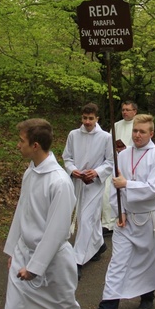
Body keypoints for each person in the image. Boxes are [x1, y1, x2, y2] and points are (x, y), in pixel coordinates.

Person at [86, 114, 155, 309]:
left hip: (149, 219)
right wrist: (119, 212)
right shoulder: (122, 155)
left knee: (147, 261)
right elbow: (114, 188)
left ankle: (147, 295)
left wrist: (127, 184)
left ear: (151, 133)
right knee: (117, 262)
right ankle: (107, 308)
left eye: (142, 131)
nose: (137, 135)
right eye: (135, 131)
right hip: (126, 219)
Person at [3, 118, 81, 309]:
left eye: (21, 141)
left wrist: (35, 267)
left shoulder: (59, 182)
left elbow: (57, 230)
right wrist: (13, 250)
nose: (18, 145)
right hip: (23, 253)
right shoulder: (30, 172)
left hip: (53, 263)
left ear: (35, 145)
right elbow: (22, 211)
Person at [62, 103, 114, 280]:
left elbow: (110, 161)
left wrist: (97, 172)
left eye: (91, 118)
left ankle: (77, 261)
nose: (87, 121)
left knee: (85, 218)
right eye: (84, 118)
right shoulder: (73, 135)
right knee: (87, 217)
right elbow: (67, 157)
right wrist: (72, 170)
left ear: (97, 118)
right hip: (78, 182)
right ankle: (99, 245)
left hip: (94, 184)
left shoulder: (105, 137)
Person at [101, 101, 138, 236]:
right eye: (123, 110)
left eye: (128, 110)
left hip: (131, 164)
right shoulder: (115, 125)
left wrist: (126, 148)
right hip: (115, 162)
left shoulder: (137, 126)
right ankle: (108, 222)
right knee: (108, 192)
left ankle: (127, 219)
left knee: (125, 193)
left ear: (135, 111)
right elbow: (109, 144)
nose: (125, 112)